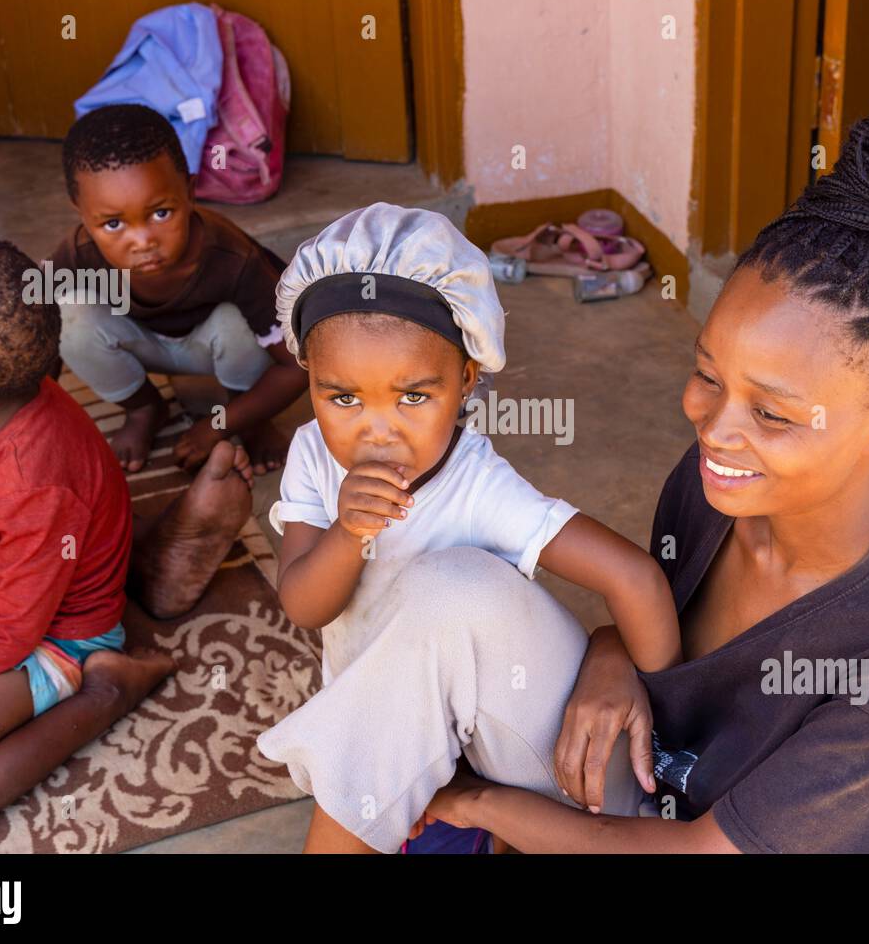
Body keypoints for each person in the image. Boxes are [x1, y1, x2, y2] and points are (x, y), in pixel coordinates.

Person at [418, 72, 869, 852]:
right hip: (639, 797)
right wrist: (608, 652)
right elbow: (654, 636)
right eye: (707, 375)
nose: (714, 427)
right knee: (450, 589)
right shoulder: (716, 490)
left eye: (771, 413)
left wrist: (483, 804)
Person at [256, 203, 680, 853]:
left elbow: (634, 575)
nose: (376, 427)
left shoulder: (479, 486)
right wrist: (347, 530)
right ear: (309, 380)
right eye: (342, 397)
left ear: (465, 383)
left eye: (414, 396)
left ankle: (607, 808)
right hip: (411, 737)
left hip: (499, 745)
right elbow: (305, 604)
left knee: (448, 592)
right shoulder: (316, 455)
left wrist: (648, 697)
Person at [0, 233, 253, 843]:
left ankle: (106, 691)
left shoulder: (33, 486)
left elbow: (7, 638)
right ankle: (149, 556)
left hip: (43, 641)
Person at [53, 103, 307, 475]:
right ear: (81, 213)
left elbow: (297, 366)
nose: (142, 241)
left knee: (242, 322)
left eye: (160, 213)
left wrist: (215, 426)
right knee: (62, 314)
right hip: (143, 346)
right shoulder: (79, 253)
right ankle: (144, 408)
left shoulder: (233, 257)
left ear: (189, 193)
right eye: (112, 224)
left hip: (215, 348)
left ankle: (246, 418)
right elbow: (33, 333)